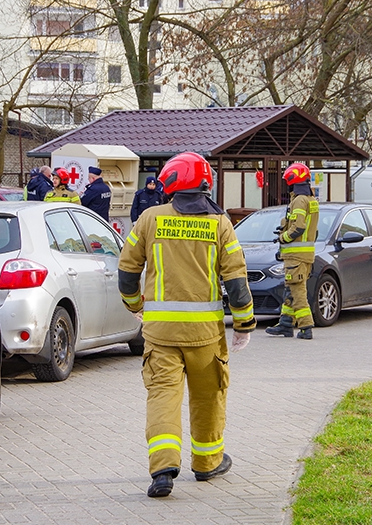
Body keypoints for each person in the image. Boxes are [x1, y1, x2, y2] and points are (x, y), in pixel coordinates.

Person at [117, 152, 256, 498]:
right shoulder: (219, 223)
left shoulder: (149, 219)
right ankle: (207, 463)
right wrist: (244, 324)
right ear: (205, 185)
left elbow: (126, 271)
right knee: (208, 397)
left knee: (163, 395)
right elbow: (236, 282)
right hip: (205, 335)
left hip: (161, 333)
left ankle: (163, 468)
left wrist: (136, 306)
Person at [265, 163, 319, 340]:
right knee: (290, 288)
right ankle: (286, 324)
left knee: (297, 290)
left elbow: (298, 227)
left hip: (296, 256)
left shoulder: (299, 200)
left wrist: (282, 238)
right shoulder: (311, 200)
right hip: (304, 255)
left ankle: (306, 326)